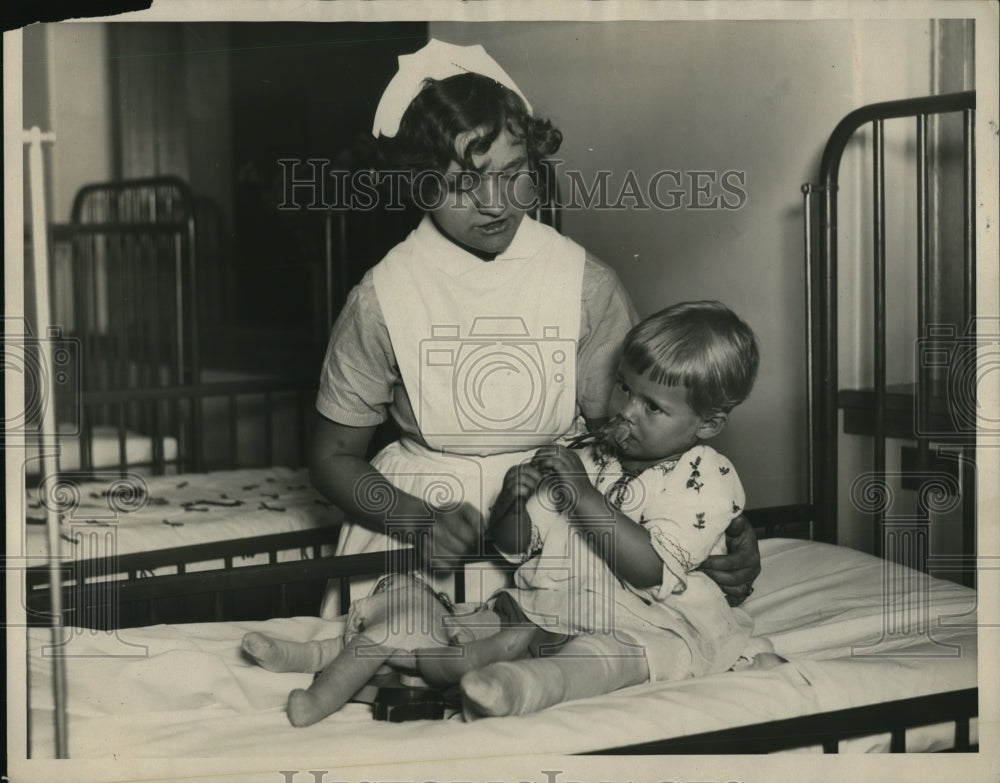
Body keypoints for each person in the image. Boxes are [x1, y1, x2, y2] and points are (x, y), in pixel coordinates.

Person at [308, 39, 761, 616]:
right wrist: (415, 519)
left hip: (562, 525)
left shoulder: (586, 284)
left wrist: (721, 527)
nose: (495, 204)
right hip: (418, 524)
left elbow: (640, 439)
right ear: (419, 182)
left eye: (513, 172)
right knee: (404, 643)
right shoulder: (380, 298)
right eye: (463, 183)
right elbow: (333, 457)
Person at [242, 301, 779, 726]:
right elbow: (515, 548)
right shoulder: (590, 454)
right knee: (440, 614)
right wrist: (513, 503)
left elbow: (650, 569)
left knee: (605, 656)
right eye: (623, 387)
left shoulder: (707, 476)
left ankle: (515, 689)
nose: (625, 411)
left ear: (708, 424)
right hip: (547, 605)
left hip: (645, 622)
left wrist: (583, 496)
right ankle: (322, 661)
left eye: (652, 407)